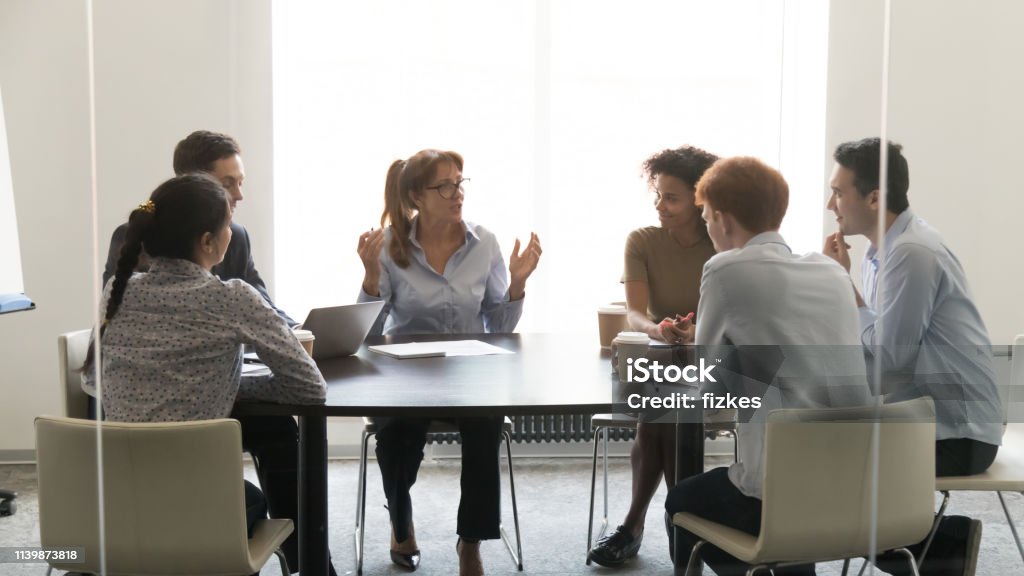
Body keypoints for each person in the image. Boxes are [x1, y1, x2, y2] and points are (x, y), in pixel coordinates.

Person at [82, 174, 334, 575]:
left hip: (118, 499)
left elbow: (97, 379)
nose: (232, 232)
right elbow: (309, 387)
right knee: (253, 498)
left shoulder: (117, 288)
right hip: (196, 503)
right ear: (207, 242)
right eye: (227, 224)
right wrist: (232, 385)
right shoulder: (231, 298)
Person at [664, 156, 870, 576]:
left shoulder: (725, 269)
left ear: (721, 219)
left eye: (705, 217)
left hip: (777, 496)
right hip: (854, 485)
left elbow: (707, 387)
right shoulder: (831, 272)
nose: (707, 228)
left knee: (681, 500)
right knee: (793, 491)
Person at [356, 149, 542, 576]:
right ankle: (401, 523)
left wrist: (516, 285)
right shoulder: (389, 245)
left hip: (469, 373)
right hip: (406, 373)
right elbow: (369, 334)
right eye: (445, 186)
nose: (457, 193)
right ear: (417, 196)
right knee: (396, 433)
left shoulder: (485, 243)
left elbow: (499, 324)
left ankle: (471, 542)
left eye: (460, 183)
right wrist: (369, 280)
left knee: (485, 423)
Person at [823, 137, 1002, 576]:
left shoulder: (911, 253)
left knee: (819, 465)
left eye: (839, 191)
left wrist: (849, 297)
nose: (831, 203)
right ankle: (941, 547)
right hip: (929, 421)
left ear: (874, 196)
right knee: (814, 454)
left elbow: (890, 361)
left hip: (959, 435)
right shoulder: (882, 251)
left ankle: (941, 550)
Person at [587, 146, 718, 568]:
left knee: (658, 414)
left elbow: (728, 314)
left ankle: (634, 525)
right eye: (658, 196)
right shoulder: (642, 241)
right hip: (659, 352)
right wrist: (659, 329)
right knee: (661, 408)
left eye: (672, 198)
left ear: (700, 202)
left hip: (707, 356)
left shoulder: (722, 243)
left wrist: (697, 332)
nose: (661, 206)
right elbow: (636, 313)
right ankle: (684, 524)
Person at [102, 130, 294, 325]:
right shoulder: (137, 235)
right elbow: (120, 317)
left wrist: (299, 330)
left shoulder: (236, 236)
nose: (239, 195)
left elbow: (264, 308)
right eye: (227, 185)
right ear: (192, 184)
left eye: (240, 183)